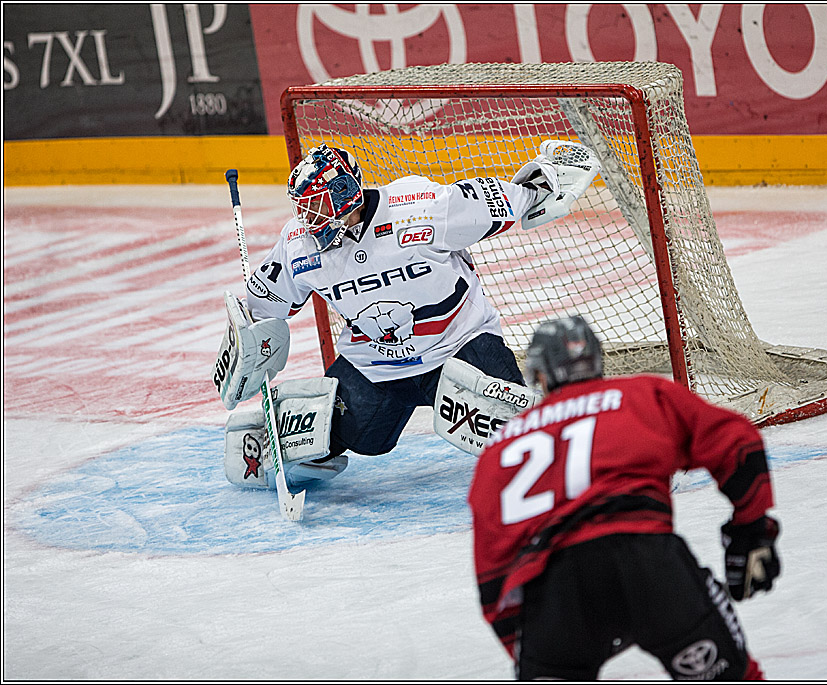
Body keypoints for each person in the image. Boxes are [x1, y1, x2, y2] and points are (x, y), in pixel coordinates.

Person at [212, 141, 601, 489]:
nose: (308, 219)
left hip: (458, 344)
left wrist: (546, 182)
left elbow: (503, 201)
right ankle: (282, 437)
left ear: (345, 194)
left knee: (516, 431)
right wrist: (249, 344)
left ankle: (582, 444)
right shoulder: (299, 244)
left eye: (317, 205)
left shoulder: (421, 206)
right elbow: (263, 308)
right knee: (361, 437)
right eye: (303, 207)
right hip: (374, 366)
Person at [467, 315, 781, 680]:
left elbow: (491, 564)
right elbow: (737, 444)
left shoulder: (501, 446)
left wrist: (533, 649)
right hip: (649, 564)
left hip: (557, 589)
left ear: (538, 374)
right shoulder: (643, 394)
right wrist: (751, 529)